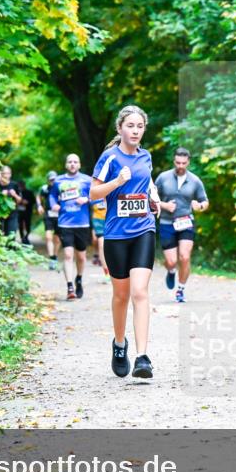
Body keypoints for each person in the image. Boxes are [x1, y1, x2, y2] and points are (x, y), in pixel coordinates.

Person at [90, 105, 161, 379]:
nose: (135, 131)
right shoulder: (110, 157)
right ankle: (120, 344)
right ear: (120, 128)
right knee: (121, 296)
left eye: (140, 126)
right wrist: (117, 182)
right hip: (116, 235)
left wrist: (153, 198)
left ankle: (143, 358)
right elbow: (93, 193)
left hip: (144, 229)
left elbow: (148, 182)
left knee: (140, 292)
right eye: (130, 126)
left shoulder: (146, 156)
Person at [155, 147, 209, 303]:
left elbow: (205, 201)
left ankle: (181, 289)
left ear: (188, 162)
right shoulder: (163, 178)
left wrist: (200, 206)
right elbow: (151, 198)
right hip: (166, 222)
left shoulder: (195, 180)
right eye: (178, 163)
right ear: (174, 161)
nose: (180, 166)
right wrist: (165, 205)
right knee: (171, 261)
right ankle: (171, 271)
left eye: (183, 163)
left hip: (186, 221)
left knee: (184, 257)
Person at [50, 154, 93, 300]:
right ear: (66, 165)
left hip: (82, 223)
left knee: (81, 257)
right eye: (70, 162)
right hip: (65, 223)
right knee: (68, 255)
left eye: (75, 162)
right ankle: (70, 287)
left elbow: (96, 196)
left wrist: (86, 199)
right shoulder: (58, 181)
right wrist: (53, 204)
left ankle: (78, 279)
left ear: (79, 165)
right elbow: (52, 196)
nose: (72, 164)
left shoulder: (87, 180)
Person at [37, 171, 60, 270]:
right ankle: (51, 258)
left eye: (54, 180)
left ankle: (55, 256)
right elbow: (38, 196)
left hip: (59, 215)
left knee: (57, 239)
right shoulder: (44, 188)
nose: (52, 182)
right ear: (48, 180)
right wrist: (39, 205)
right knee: (48, 236)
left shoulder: (61, 188)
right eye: (51, 180)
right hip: (48, 214)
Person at [0, 166, 24, 239]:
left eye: (8, 173)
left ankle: (10, 246)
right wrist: (1, 195)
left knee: (11, 236)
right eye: (4, 173)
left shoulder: (14, 185)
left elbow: (20, 200)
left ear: (11, 174)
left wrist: (15, 195)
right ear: (1, 174)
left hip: (12, 213)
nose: (6, 175)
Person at [90, 196, 111, 283]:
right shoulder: (93, 188)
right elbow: (90, 203)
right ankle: (107, 273)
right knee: (101, 244)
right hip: (99, 221)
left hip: (113, 219)